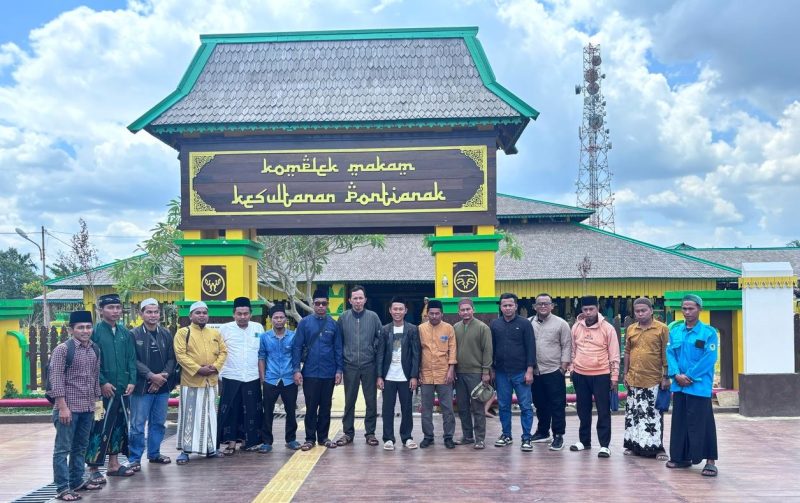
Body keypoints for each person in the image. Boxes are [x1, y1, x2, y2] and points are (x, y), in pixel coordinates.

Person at [49, 310, 102, 501]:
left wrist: (98, 406)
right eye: (80, 327)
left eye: (88, 327)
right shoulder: (63, 350)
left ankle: (77, 481)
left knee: (81, 447)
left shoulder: (95, 349)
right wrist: (62, 407)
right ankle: (63, 488)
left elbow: (95, 379)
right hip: (68, 409)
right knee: (62, 449)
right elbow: (55, 379)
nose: (85, 331)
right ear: (71, 330)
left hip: (88, 407)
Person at [666, 294, 719, 477]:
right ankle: (681, 457)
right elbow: (670, 353)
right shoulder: (675, 331)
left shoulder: (708, 333)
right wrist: (675, 374)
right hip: (679, 385)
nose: (687, 312)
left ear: (699, 309)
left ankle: (710, 460)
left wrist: (689, 376)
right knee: (679, 422)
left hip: (699, 385)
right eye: (684, 308)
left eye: (691, 308)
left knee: (703, 422)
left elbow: (709, 358)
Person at [86, 293, 137, 482]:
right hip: (101, 393)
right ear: (101, 311)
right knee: (99, 426)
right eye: (110, 308)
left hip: (122, 389)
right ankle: (92, 467)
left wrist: (132, 380)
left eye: (117, 307)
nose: (115, 311)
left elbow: (131, 358)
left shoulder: (125, 333)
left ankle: (114, 464)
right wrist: (102, 382)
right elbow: (91, 361)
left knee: (119, 426)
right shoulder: (95, 332)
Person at [174, 301, 228, 464]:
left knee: (211, 415)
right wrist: (198, 369)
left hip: (210, 381)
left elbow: (224, 351)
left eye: (204, 312)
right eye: (198, 313)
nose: (202, 315)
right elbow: (180, 355)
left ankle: (211, 448)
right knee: (189, 416)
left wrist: (216, 367)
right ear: (191, 315)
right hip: (191, 381)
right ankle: (185, 450)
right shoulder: (183, 333)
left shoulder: (215, 333)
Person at [292, 287, 344, 451]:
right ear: (313, 304)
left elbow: (338, 349)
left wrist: (339, 371)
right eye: (317, 303)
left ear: (328, 305)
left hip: (328, 372)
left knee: (326, 406)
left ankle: (323, 437)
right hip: (310, 372)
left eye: (324, 303)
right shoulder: (304, 323)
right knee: (311, 406)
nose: (321, 306)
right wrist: (296, 370)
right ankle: (309, 438)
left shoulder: (333, 325)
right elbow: (297, 347)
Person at [569, 295, 620, 458]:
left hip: (602, 375)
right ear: (581, 310)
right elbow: (572, 350)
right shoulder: (576, 327)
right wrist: (572, 368)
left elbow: (614, 354)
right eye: (585, 310)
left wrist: (614, 376)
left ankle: (604, 445)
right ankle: (584, 441)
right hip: (580, 374)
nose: (588, 312)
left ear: (598, 308)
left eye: (591, 309)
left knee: (603, 411)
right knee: (583, 410)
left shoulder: (608, 328)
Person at [128, 298, 176, 471]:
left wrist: (162, 377)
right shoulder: (133, 334)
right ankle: (134, 459)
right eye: (149, 311)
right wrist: (150, 376)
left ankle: (154, 454)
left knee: (158, 423)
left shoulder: (166, 333)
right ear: (141, 314)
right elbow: (132, 360)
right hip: (142, 388)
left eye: (156, 311)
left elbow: (172, 358)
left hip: (162, 387)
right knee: (138, 424)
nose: (153, 315)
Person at [623, 297, 670, 460]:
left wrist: (666, 376)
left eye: (644, 310)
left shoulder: (661, 329)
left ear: (651, 311)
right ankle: (633, 445)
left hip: (653, 379)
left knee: (652, 415)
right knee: (634, 414)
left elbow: (666, 353)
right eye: (637, 311)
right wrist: (625, 373)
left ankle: (656, 448)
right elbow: (627, 351)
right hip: (634, 378)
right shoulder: (631, 329)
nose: (640, 314)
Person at [217, 297, 265, 455]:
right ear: (233, 314)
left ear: (251, 314)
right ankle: (231, 443)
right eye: (239, 313)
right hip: (231, 375)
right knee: (231, 410)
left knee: (252, 410)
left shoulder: (258, 328)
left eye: (246, 313)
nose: (243, 317)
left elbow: (262, 353)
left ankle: (249, 441)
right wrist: (220, 373)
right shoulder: (224, 329)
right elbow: (217, 352)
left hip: (252, 376)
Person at [336, 285, 382, 447]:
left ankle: (370, 433)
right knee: (349, 400)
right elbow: (338, 342)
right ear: (349, 300)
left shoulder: (373, 317)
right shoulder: (343, 317)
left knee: (371, 401)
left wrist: (372, 349)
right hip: (350, 366)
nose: (357, 301)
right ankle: (348, 433)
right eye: (354, 298)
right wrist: (340, 367)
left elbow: (380, 338)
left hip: (369, 364)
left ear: (365, 300)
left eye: (360, 298)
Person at [490, 293, 536, 452]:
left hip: (521, 372)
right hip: (502, 372)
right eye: (504, 305)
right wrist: (492, 369)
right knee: (503, 405)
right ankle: (506, 435)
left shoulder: (524, 324)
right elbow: (492, 349)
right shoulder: (495, 324)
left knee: (525, 406)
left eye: (510, 305)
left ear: (516, 306)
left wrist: (530, 370)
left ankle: (526, 437)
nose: (507, 308)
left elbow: (531, 347)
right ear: (500, 307)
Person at [376, 297, 420, 450]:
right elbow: (380, 353)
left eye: (400, 309)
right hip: (388, 376)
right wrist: (379, 376)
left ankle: (407, 437)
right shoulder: (384, 329)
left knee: (407, 408)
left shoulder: (413, 329)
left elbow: (416, 354)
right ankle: (388, 438)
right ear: (390, 310)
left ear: (405, 311)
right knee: (387, 408)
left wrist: (414, 376)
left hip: (405, 376)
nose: (397, 312)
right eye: (395, 309)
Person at [529, 293, 572, 451]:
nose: (542, 306)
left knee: (557, 404)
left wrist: (563, 368)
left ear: (552, 306)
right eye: (539, 304)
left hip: (554, 370)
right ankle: (542, 431)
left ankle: (558, 435)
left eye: (546, 303)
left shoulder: (561, 324)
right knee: (540, 403)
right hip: (536, 371)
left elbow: (567, 346)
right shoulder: (529, 323)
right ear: (534, 306)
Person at [258, 303, 301, 452]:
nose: (278, 320)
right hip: (271, 378)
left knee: (291, 410)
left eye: (281, 317)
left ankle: (291, 439)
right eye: (275, 317)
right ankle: (267, 442)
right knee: (267, 411)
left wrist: (297, 372)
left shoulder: (294, 336)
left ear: (286, 319)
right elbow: (262, 357)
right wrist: (262, 378)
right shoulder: (265, 337)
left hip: (289, 379)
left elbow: (297, 356)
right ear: (271, 319)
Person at [452, 298, 493, 449]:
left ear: (473, 310)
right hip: (459, 373)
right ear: (458, 312)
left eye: (468, 309)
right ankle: (467, 436)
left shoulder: (483, 328)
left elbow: (488, 351)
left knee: (477, 407)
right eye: (462, 310)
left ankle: (480, 438)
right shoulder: (455, 327)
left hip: (476, 373)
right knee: (462, 407)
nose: (465, 312)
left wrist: (485, 372)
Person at [418, 299, 457, 449]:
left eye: (437, 314)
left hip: (444, 373)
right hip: (426, 373)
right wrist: (418, 372)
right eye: (431, 314)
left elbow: (452, 349)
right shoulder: (420, 329)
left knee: (447, 408)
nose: (434, 316)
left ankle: (448, 436)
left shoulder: (448, 329)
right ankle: (428, 436)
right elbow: (417, 351)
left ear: (442, 314)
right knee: (426, 408)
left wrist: (451, 370)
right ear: (427, 314)